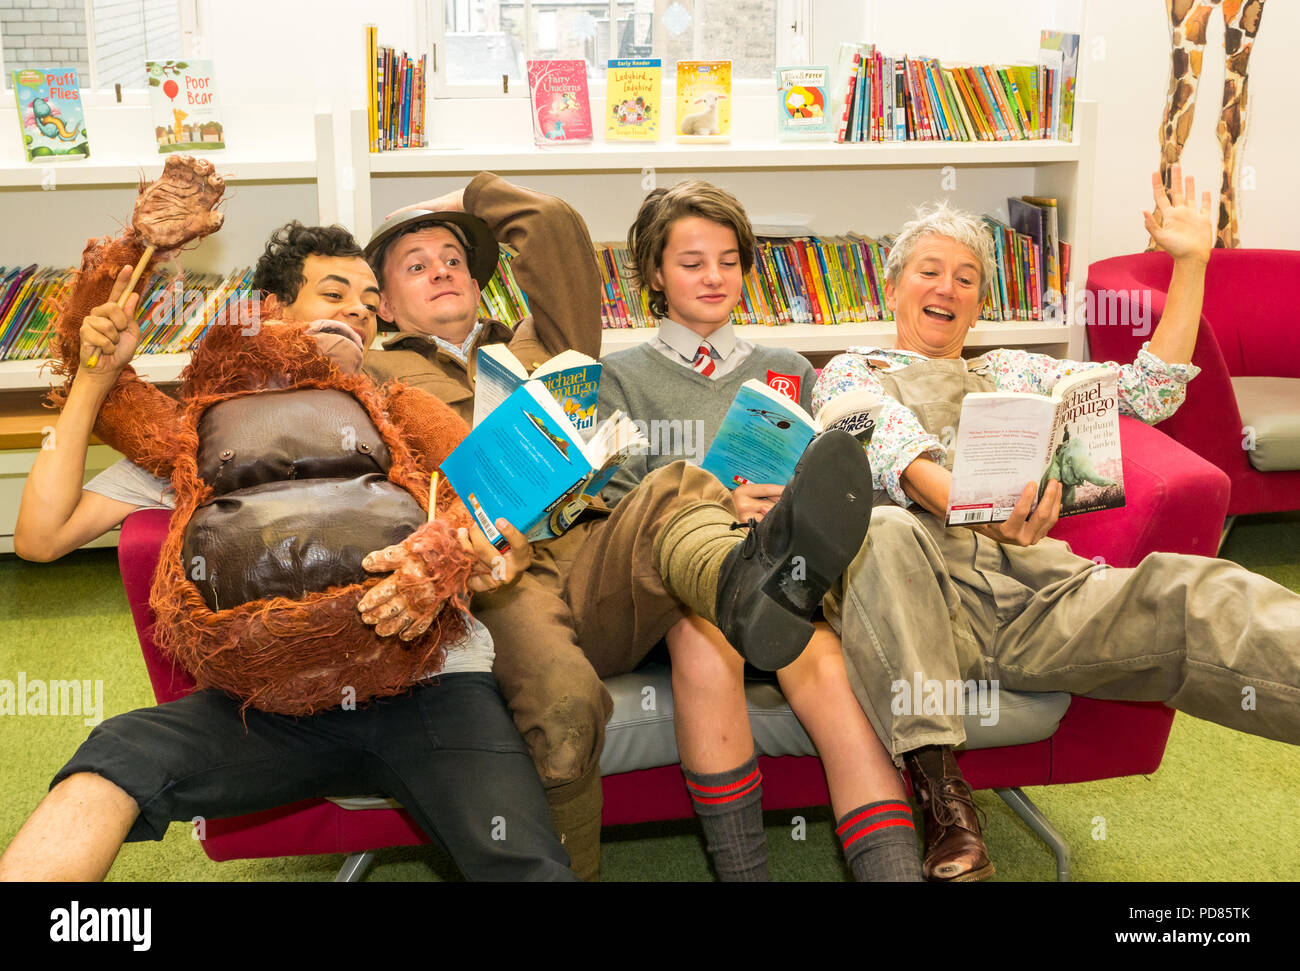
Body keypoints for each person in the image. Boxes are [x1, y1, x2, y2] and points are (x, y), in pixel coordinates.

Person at [0, 206, 577, 881]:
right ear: (270, 309)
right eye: (333, 294)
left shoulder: (397, 417)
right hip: (267, 702)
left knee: (526, 862)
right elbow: (41, 537)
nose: (358, 314)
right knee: (108, 763)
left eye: (369, 303)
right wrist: (95, 381)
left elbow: (499, 534)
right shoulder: (204, 431)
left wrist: (468, 558)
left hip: (432, 684)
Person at [364, 174, 877, 879]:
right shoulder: (367, 372)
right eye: (416, 267)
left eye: (454, 259)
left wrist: (470, 197)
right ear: (384, 304)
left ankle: (741, 582)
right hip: (500, 575)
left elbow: (555, 233)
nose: (443, 271)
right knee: (567, 707)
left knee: (681, 482)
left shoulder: (539, 349)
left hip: (596, 547)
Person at [812, 165, 1300, 881]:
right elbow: (894, 450)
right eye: (930, 271)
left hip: (1039, 592)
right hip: (920, 605)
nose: (947, 287)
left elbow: (1148, 394)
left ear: (980, 304)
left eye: (967, 278)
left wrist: (1190, 263)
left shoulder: (1015, 369)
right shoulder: (850, 373)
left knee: (1200, 591)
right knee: (887, 532)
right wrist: (982, 509)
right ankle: (946, 802)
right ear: (894, 287)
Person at [596, 180, 924, 881]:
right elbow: (618, 499)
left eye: (728, 259)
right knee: (708, 633)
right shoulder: (617, 377)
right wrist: (719, 503)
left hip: (788, 586)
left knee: (827, 666)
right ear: (655, 273)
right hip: (677, 594)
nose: (714, 276)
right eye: (691, 262)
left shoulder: (790, 370)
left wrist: (791, 502)